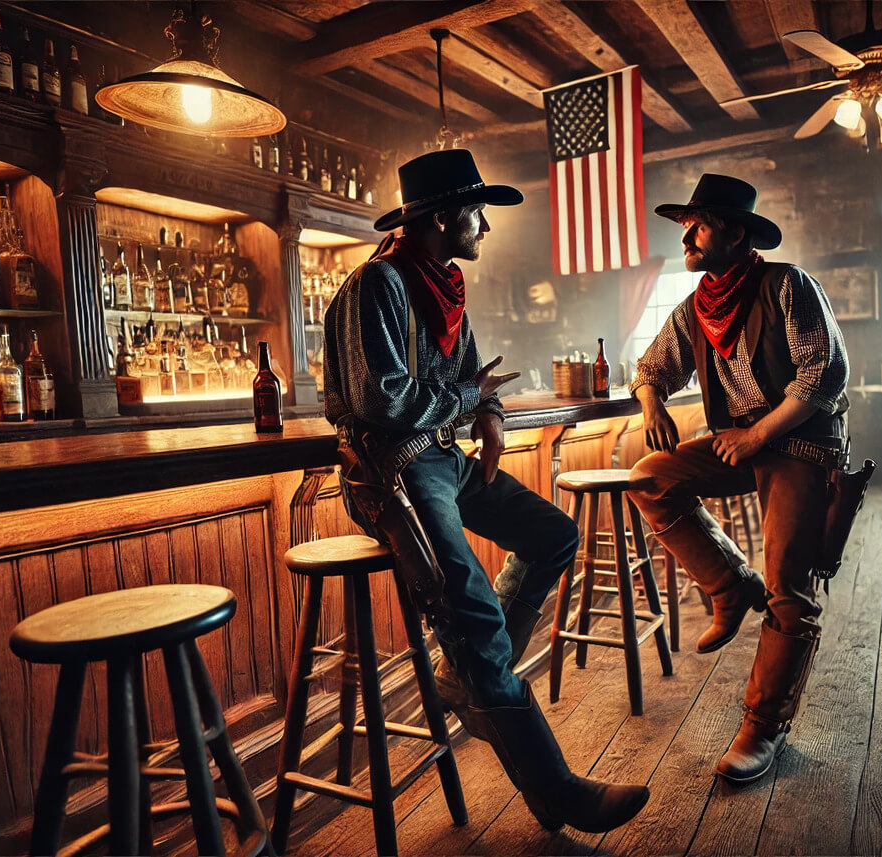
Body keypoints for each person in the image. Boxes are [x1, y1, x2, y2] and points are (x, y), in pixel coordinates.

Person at [323, 148, 648, 833]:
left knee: (555, 535)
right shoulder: (377, 284)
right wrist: (472, 397)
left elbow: (475, 379)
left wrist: (492, 418)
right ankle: (556, 790)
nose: (484, 226)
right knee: (470, 604)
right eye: (475, 212)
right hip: (392, 473)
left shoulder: (440, 285)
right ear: (443, 218)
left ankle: (466, 672)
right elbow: (382, 401)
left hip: (440, 457)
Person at [627, 173, 849, 783]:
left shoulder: (786, 284)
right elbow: (649, 367)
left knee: (789, 589)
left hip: (800, 443)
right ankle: (728, 585)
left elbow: (825, 373)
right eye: (686, 226)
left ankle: (763, 726)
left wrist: (758, 434)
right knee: (650, 476)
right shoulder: (697, 306)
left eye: (698, 225)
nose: (687, 237)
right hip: (741, 444)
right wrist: (653, 404)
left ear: (735, 231)